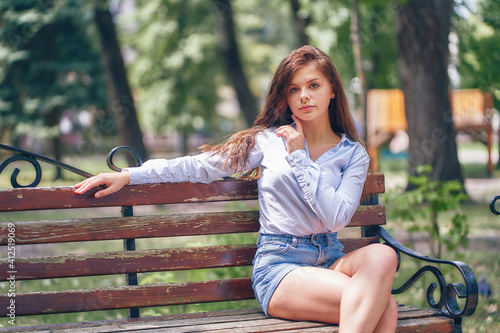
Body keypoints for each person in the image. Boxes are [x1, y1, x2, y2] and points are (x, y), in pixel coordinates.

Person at [74, 45, 398, 332]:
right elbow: (198, 166)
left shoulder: (352, 154)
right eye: (293, 89)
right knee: (383, 305)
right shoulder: (268, 141)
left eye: (314, 85)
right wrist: (131, 176)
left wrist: (300, 158)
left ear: (332, 91)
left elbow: (336, 219)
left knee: (383, 255)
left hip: (330, 258)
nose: (304, 96)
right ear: (285, 97)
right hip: (281, 266)